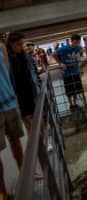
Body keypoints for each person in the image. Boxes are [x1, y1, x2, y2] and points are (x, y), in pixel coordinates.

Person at [0, 34, 24, 200]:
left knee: (16, 141)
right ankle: (3, 193)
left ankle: (24, 175)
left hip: (9, 102)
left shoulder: (1, 47)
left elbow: (7, 72)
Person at [7, 32, 41, 136]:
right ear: (11, 44)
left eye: (22, 44)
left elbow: (33, 73)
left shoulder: (25, 57)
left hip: (31, 91)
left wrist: (38, 85)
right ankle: (37, 145)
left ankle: (42, 142)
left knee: (38, 120)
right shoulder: (8, 59)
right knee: (28, 122)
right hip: (20, 96)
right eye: (18, 44)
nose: (21, 47)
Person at [53, 34, 83, 111]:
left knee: (76, 90)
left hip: (75, 72)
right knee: (69, 90)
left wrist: (80, 59)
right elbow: (54, 54)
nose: (77, 44)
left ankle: (75, 104)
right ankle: (71, 105)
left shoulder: (79, 48)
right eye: (75, 42)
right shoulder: (64, 48)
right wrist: (60, 63)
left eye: (78, 42)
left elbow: (80, 55)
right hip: (67, 73)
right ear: (72, 41)